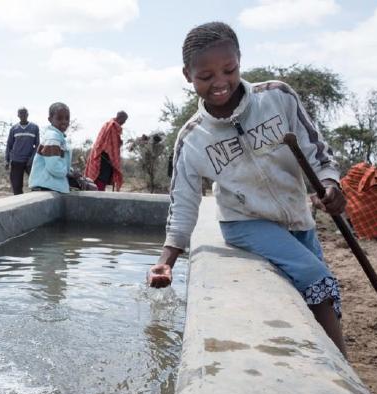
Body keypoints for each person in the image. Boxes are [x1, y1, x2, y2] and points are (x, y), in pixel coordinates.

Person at [147, 21, 348, 356]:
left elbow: (317, 151)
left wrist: (329, 184)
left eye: (229, 70)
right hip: (245, 224)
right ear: (187, 75)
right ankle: (345, 369)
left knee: (320, 293)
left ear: (239, 59)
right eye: (205, 77)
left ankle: (325, 360)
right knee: (317, 277)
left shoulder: (277, 98)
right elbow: (183, 203)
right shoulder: (193, 138)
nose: (220, 83)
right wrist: (167, 260)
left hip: (299, 216)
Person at [28, 102, 72, 193]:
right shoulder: (53, 137)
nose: (64, 121)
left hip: (50, 185)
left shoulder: (59, 137)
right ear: (50, 119)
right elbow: (54, 167)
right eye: (59, 118)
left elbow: (60, 161)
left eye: (67, 118)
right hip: (46, 186)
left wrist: (71, 172)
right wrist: (67, 172)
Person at [84, 111, 127, 191]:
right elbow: (110, 146)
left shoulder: (108, 124)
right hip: (104, 157)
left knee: (100, 179)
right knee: (101, 179)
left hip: (101, 155)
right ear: (120, 118)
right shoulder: (112, 126)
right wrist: (114, 160)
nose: (123, 123)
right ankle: (98, 197)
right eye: (124, 120)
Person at [5, 107, 40, 195]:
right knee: (16, 187)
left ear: (28, 114)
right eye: (21, 113)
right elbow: (9, 145)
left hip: (29, 161)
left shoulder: (34, 127)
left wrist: (32, 159)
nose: (23, 115)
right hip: (16, 161)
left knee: (37, 184)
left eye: (25, 113)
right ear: (18, 115)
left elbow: (38, 145)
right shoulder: (14, 128)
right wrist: (7, 160)